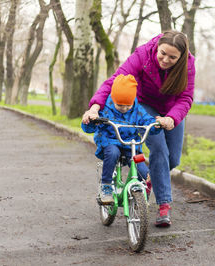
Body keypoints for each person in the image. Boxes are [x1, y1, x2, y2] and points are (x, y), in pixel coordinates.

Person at [82, 30, 195, 227]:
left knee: (173, 159)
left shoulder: (188, 65)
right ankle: (163, 206)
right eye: (163, 53)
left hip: (172, 110)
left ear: (181, 57)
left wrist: (172, 118)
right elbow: (116, 80)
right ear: (157, 47)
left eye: (172, 57)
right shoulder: (142, 55)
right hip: (145, 107)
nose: (166, 59)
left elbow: (186, 98)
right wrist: (95, 106)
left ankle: (150, 180)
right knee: (159, 150)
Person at [81, 74, 161, 204]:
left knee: (142, 168)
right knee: (113, 153)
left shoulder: (137, 110)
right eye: (120, 105)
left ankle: (142, 191)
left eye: (127, 106)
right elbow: (90, 127)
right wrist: (89, 121)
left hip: (131, 144)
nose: (124, 109)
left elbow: (147, 121)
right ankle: (106, 186)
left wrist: (156, 125)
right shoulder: (105, 109)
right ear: (113, 98)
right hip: (110, 141)